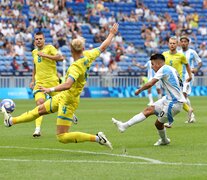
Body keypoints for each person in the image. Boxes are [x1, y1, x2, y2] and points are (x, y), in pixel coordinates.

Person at [1, 23, 119, 150]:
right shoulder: (88, 55)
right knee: (39, 109)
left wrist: (50, 89)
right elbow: (102, 47)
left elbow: (68, 84)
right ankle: (11, 121)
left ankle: (97, 138)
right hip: (63, 96)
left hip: (69, 101)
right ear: (82, 48)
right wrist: (111, 34)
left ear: (71, 50)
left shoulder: (75, 67)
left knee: (62, 137)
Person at [112, 54, 186, 146]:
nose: (151, 66)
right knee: (149, 110)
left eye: (152, 64)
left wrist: (139, 90)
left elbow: (150, 84)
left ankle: (164, 140)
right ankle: (124, 126)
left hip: (174, 103)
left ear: (158, 63)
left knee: (158, 124)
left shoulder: (163, 69)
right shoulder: (171, 69)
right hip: (168, 99)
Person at [30, 31, 65, 137]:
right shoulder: (34, 52)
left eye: (40, 38)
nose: (39, 41)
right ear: (34, 41)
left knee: (63, 102)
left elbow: (61, 58)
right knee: (40, 103)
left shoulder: (50, 48)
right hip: (39, 84)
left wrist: (45, 55)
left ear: (44, 40)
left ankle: (70, 114)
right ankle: (37, 129)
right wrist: (32, 80)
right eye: (37, 39)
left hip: (52, 83)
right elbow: (35, 67)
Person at [162, 36, 193, 127]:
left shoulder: (180, 55)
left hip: (177, 81)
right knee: (177, 100)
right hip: (167, 81)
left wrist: (190, 75)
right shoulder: (164, 54)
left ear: (177, 44)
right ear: (168, 44)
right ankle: (188, 109)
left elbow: (187, 65)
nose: (172, 45)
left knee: (172, 100)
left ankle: (169, 121)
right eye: (170, 43)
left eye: (174, 43)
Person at [178, 36, 202, 123]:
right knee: (182, 97)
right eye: (182, 41)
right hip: (180, 77)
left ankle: (191, 115)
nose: (183, 43)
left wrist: (196, 69)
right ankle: (191, 114)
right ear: (180, 43)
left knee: (184, 95)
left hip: (189, 76)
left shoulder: (192, 52)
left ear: (188, 43)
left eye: (185, 41)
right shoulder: (178, 53)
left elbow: (200, 62)